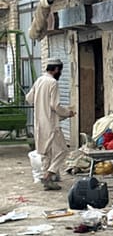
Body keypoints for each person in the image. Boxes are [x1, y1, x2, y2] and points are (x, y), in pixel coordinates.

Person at [25, 58, 75, 191]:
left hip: (39, 123)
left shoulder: (39, 80)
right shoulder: (53, 83)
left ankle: (48, 181)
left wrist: (41, 104)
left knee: (46, 152)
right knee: (63, 150)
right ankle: (48, 175)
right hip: (51, 124)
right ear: (56, 69)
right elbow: (55, 105)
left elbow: (29, 98)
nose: (60, 74)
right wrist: (68, 112)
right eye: (60, 71)